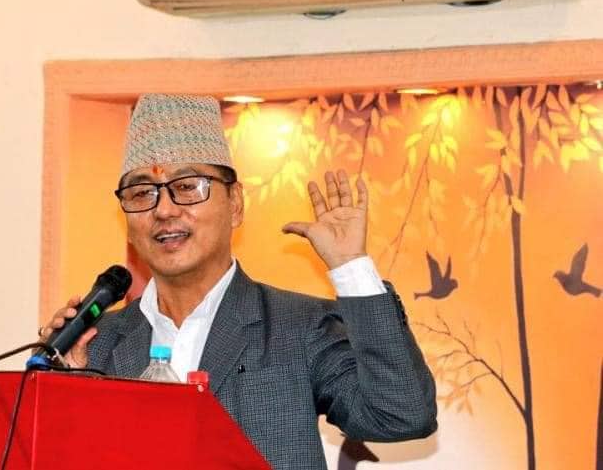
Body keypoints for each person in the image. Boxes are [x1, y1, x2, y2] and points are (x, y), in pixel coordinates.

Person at [39, 95, 437, 470]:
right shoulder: (96, 344)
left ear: (235, 205)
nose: (164, 209)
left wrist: (350, 268)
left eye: (187, 187)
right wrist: (66, 391)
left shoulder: (298, 326)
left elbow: (400, 415)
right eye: (142, 193)